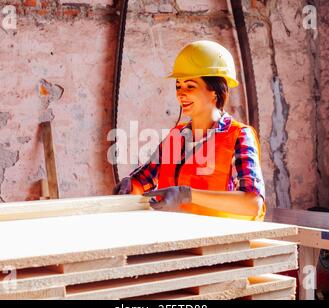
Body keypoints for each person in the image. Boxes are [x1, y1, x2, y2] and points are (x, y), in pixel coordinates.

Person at [113, 40, 266, 221]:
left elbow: (252, 203)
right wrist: (130, 185)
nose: (180, 93)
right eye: (178, 86)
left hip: (220, 244)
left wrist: (187, 195)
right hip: (177, 238)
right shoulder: (176, 137)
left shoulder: (238, 136)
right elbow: (144, 179)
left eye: (190, 86)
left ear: (215, 91)